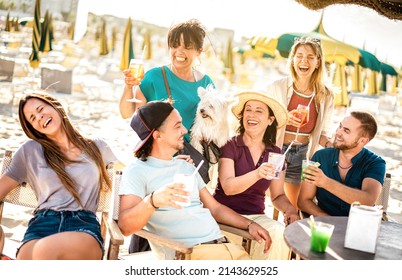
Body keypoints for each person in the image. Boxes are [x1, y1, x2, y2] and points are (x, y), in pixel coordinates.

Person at [118, 101, 272, 260]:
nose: (184, 130)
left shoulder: (186, 167)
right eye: (177, 126)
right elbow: (125, 227)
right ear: (158, 135)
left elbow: (216, 209)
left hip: (226, 247)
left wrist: (249, 225)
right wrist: (152, 201)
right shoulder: (137, 171)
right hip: (190, 254)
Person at [120, 18, 215, 253]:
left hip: (188, 161)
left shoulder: (206, 83)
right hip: (154, 160)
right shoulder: (154, 76)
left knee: (183, 215)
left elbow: (210, 125)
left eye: (187, 46)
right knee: (148, 214)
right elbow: (127, 113)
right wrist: (128, 86)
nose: (179, 52)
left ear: (199, 51)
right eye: (175, 45)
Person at [0, 92, 118, 260]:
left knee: (43, 251)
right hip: (42, 224)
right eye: (33, 118)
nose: (40, 117)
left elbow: (126, 177)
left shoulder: (97, 146)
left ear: (54, 105)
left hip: (83, 226)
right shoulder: (29, 151)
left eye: (41, 109)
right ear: (32, 128)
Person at [214, 91, 299, 260]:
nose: (251, 115)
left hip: (256, 216)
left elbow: (278, 196)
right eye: (248, 110)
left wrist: (290, 210)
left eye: (259, 111)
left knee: (277, 232)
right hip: (225, 216)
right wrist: (258, 173)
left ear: (270, 120)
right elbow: (229, 188)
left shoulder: (275, 153)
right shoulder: (230, 145)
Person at [267, 37, 334, 209]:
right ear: (293, 59)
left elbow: (323, 133)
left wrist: (331, 145)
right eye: (300, 55)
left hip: (301, 153)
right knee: (267, 199)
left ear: (318, 62)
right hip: (275, 149)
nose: (304, 60)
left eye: (311, 57)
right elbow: (263, 120)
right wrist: (284, 118)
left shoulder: (325, 95)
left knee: (293, 205)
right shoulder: (277, 86)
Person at [298, 111, 386, 217]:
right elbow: (303, 201)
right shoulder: (320, 157)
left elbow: (367, 200)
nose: (338, 132)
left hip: (358, 227)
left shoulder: (375, 163)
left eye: (346, 130)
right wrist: (326, 219)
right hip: (324, 226)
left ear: (362, 141)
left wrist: (325, 182)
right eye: (340, 126)